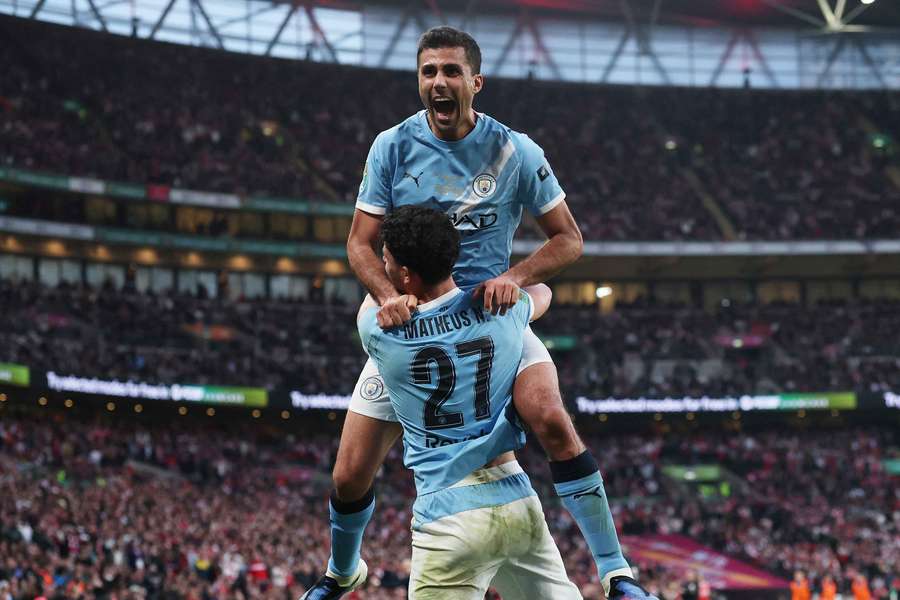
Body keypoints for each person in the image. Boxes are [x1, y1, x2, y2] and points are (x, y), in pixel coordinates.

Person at [303, 26, 656, 600]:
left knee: (550, 418)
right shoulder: (391, 146)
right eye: (428, 72)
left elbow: (569, 239)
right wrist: (388, 295)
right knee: (348, 474)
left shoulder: (515, 151)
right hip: (412, 328)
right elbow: (359, 244)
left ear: (476, 82)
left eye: (450, 71)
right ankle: (342, 571)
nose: (438, 82)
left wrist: (512, 279)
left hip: (492, 321)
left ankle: (617, 573)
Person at [361, 205, 580, 598]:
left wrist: (392, 296)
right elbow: (543, 293)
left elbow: (370, 297)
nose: (384, 265)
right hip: (517, 499)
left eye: (387, 259)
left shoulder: (380, 335)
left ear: (406, 275)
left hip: (448, 516)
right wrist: (508, 283)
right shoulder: (502, 316)